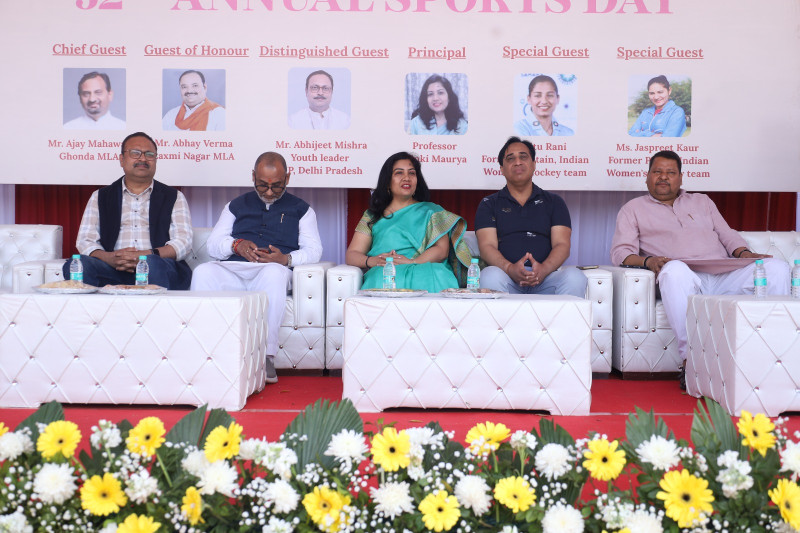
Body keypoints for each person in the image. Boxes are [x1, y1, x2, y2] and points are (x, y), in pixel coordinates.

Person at [610, 150, 790, 387]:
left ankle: (777, 355)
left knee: (776, 268)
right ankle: (691, 361)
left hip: (723, 274)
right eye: (657, 172)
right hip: (684, 276)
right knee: (673, 271)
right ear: (647, 177)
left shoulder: (702, 201)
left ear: (681, 178)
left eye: (670, 173)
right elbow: (621, 252)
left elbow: (727, 235)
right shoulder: (633, 208)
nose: (663, 177)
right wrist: (648, 261)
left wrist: (745, 254)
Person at [190, 152, 322, 384]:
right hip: (234, 268)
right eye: (262, 185)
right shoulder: (235, 206)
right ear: (253, 177)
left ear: (287, 178)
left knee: (273, 274)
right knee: (203, 272)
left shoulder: (302, 209)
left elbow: (314, 250)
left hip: (272, 270)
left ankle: (265, 357)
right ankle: (202, 351)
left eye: (276, 186)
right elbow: (213, 245)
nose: (269, 192)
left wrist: (286, 259)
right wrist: (236, 245)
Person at [64, 131, 193, 289]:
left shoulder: (173, 196)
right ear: (121, 159)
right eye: (135, 153)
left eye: (149, 154)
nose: (143, 159)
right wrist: (110, 258)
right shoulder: (100, 196)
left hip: (157, 268)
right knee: (77, 264)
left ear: (156, 160)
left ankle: (153, 304)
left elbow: (183, 243)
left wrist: (146, 255)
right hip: (113, 269)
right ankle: (96, 306)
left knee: (153, 264)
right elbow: (85, 241)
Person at [475, 137, 587, 297]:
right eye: (510, 158)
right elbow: (487, 247)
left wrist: (544, 270)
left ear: (534, 164)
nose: (517, 162)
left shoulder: (554, 202)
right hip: (506, 278)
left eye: (523, 157)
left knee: (575, 277)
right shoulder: (489, 204)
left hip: (546, 279)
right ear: (502, 169)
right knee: (489, 275)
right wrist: (509, 269)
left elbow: (562, 245)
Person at [345, 152, 471, 292]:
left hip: (425, 266)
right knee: (383, 276)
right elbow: (353, 253)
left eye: (412, 173)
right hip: (386, 269)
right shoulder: (372, 216)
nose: (407, 178)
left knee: (436, 273)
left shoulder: (432, 211)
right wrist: (371, 261)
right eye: (399, 173)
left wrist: (413, 262)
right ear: (387, 181)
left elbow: (441, 250)